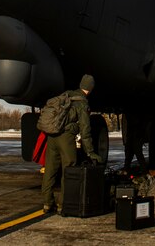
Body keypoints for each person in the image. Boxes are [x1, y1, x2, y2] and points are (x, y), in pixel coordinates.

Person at [41, 74, 102, 214]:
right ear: (90, 88)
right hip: (66, 138)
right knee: (69, 170)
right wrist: (90, 151)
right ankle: (63, 204)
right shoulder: (82, 103)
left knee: (50, 169)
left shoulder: (67, 95)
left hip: (52, 136)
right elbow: (85, 131)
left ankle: (47, 203)